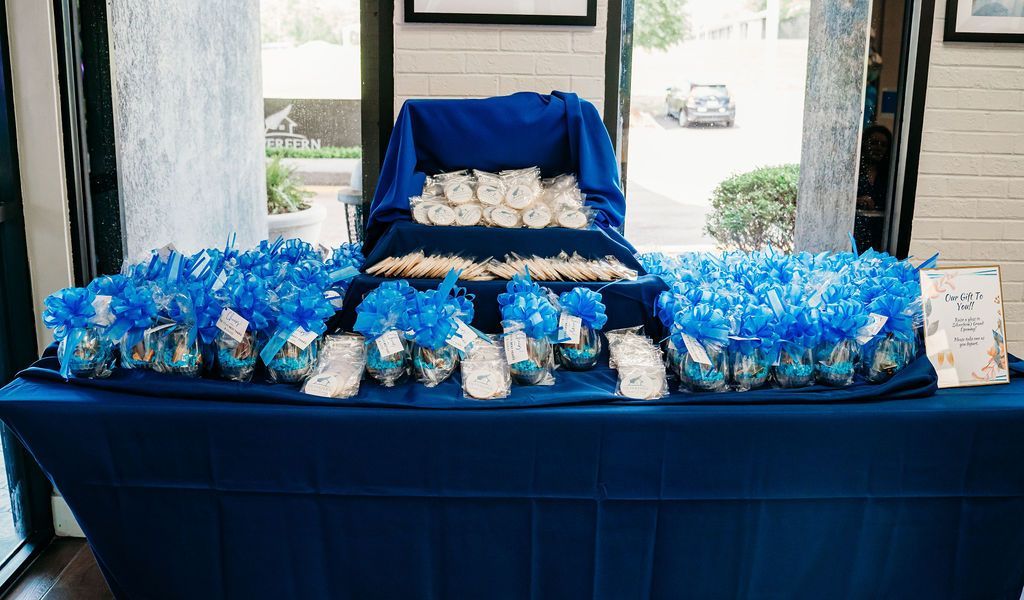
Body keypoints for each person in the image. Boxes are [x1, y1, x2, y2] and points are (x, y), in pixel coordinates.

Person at [854, 124, 892, 251]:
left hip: (881, 236)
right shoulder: (854, 172)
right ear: (864, 144)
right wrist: (856, 201)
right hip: (855, 232)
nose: (878, 148)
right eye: (874, 143)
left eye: (883, 145)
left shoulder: (891, 175)